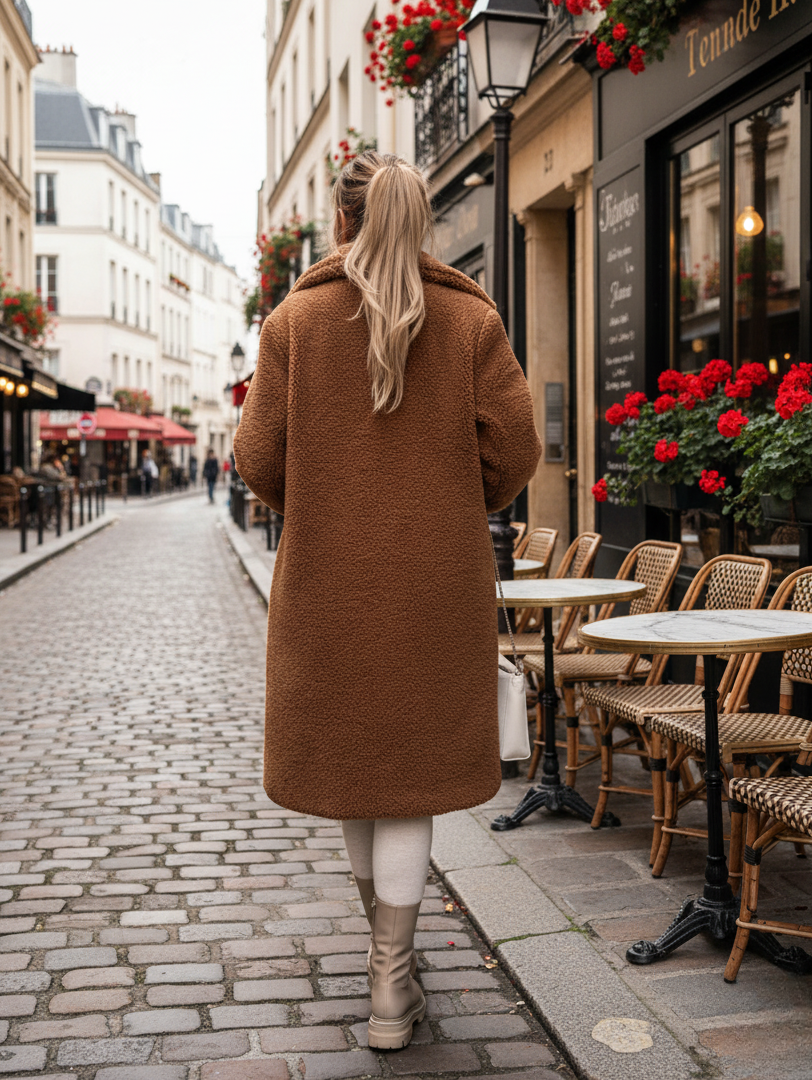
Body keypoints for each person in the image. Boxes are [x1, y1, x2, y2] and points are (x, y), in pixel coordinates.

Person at [234, 151, 540, 1050]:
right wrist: (451, 497)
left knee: (360, 781)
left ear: (341, 220)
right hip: (435, 592)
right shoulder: (471, 320)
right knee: (406, 783)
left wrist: (324, 493)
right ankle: (390, 980)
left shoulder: (295, 321)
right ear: (424, 220)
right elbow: (515, 456)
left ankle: (383, 965)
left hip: (327, 587)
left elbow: (257, 462)